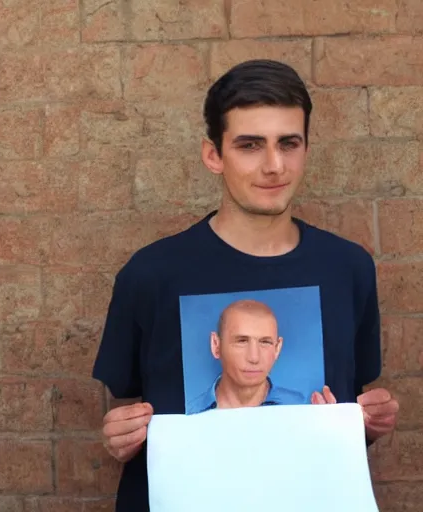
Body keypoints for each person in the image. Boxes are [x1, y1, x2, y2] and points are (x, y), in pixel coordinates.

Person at [91, 59, 399, 511]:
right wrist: (121, 437)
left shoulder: (348, 268)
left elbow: (346, 411)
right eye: (250, 145)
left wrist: (365, 425)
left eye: (288, 143)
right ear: (213, 155)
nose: (274, 165)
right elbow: (129, 409)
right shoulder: (150, 273)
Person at [185, 299, 307, 415]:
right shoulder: (186, 417)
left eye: (265, 342)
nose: (254, 358)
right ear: (216, 345)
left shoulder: (304, 409)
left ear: (277, 348)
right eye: (241, 341)